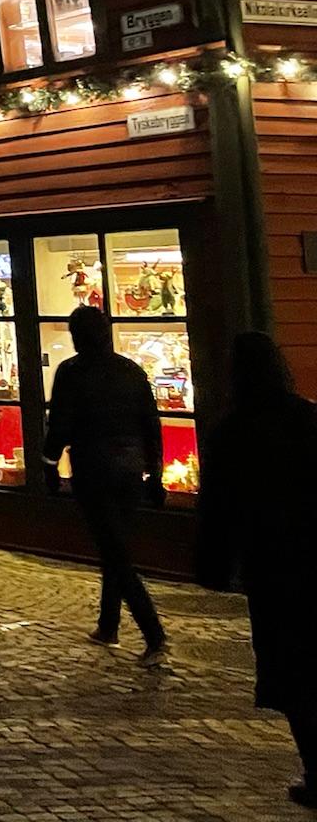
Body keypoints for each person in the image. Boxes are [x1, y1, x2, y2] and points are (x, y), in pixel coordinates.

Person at [198, 332, 317, 809]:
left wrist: (216, 565)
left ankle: (316, 767)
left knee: (291, 672)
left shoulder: (233, 430)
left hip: (271, 566)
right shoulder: (307, 417)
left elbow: (218, 507)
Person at [42, 304, 168, 664]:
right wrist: (154, 472)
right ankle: (108, 623)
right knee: (117, 546)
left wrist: (49, 465)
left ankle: (154, 635)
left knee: (115, 552)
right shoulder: (130, 370)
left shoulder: (72, 372)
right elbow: (150, 422)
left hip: (93, 467)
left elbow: (60, 425)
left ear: (77, 337)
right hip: (129, 467)